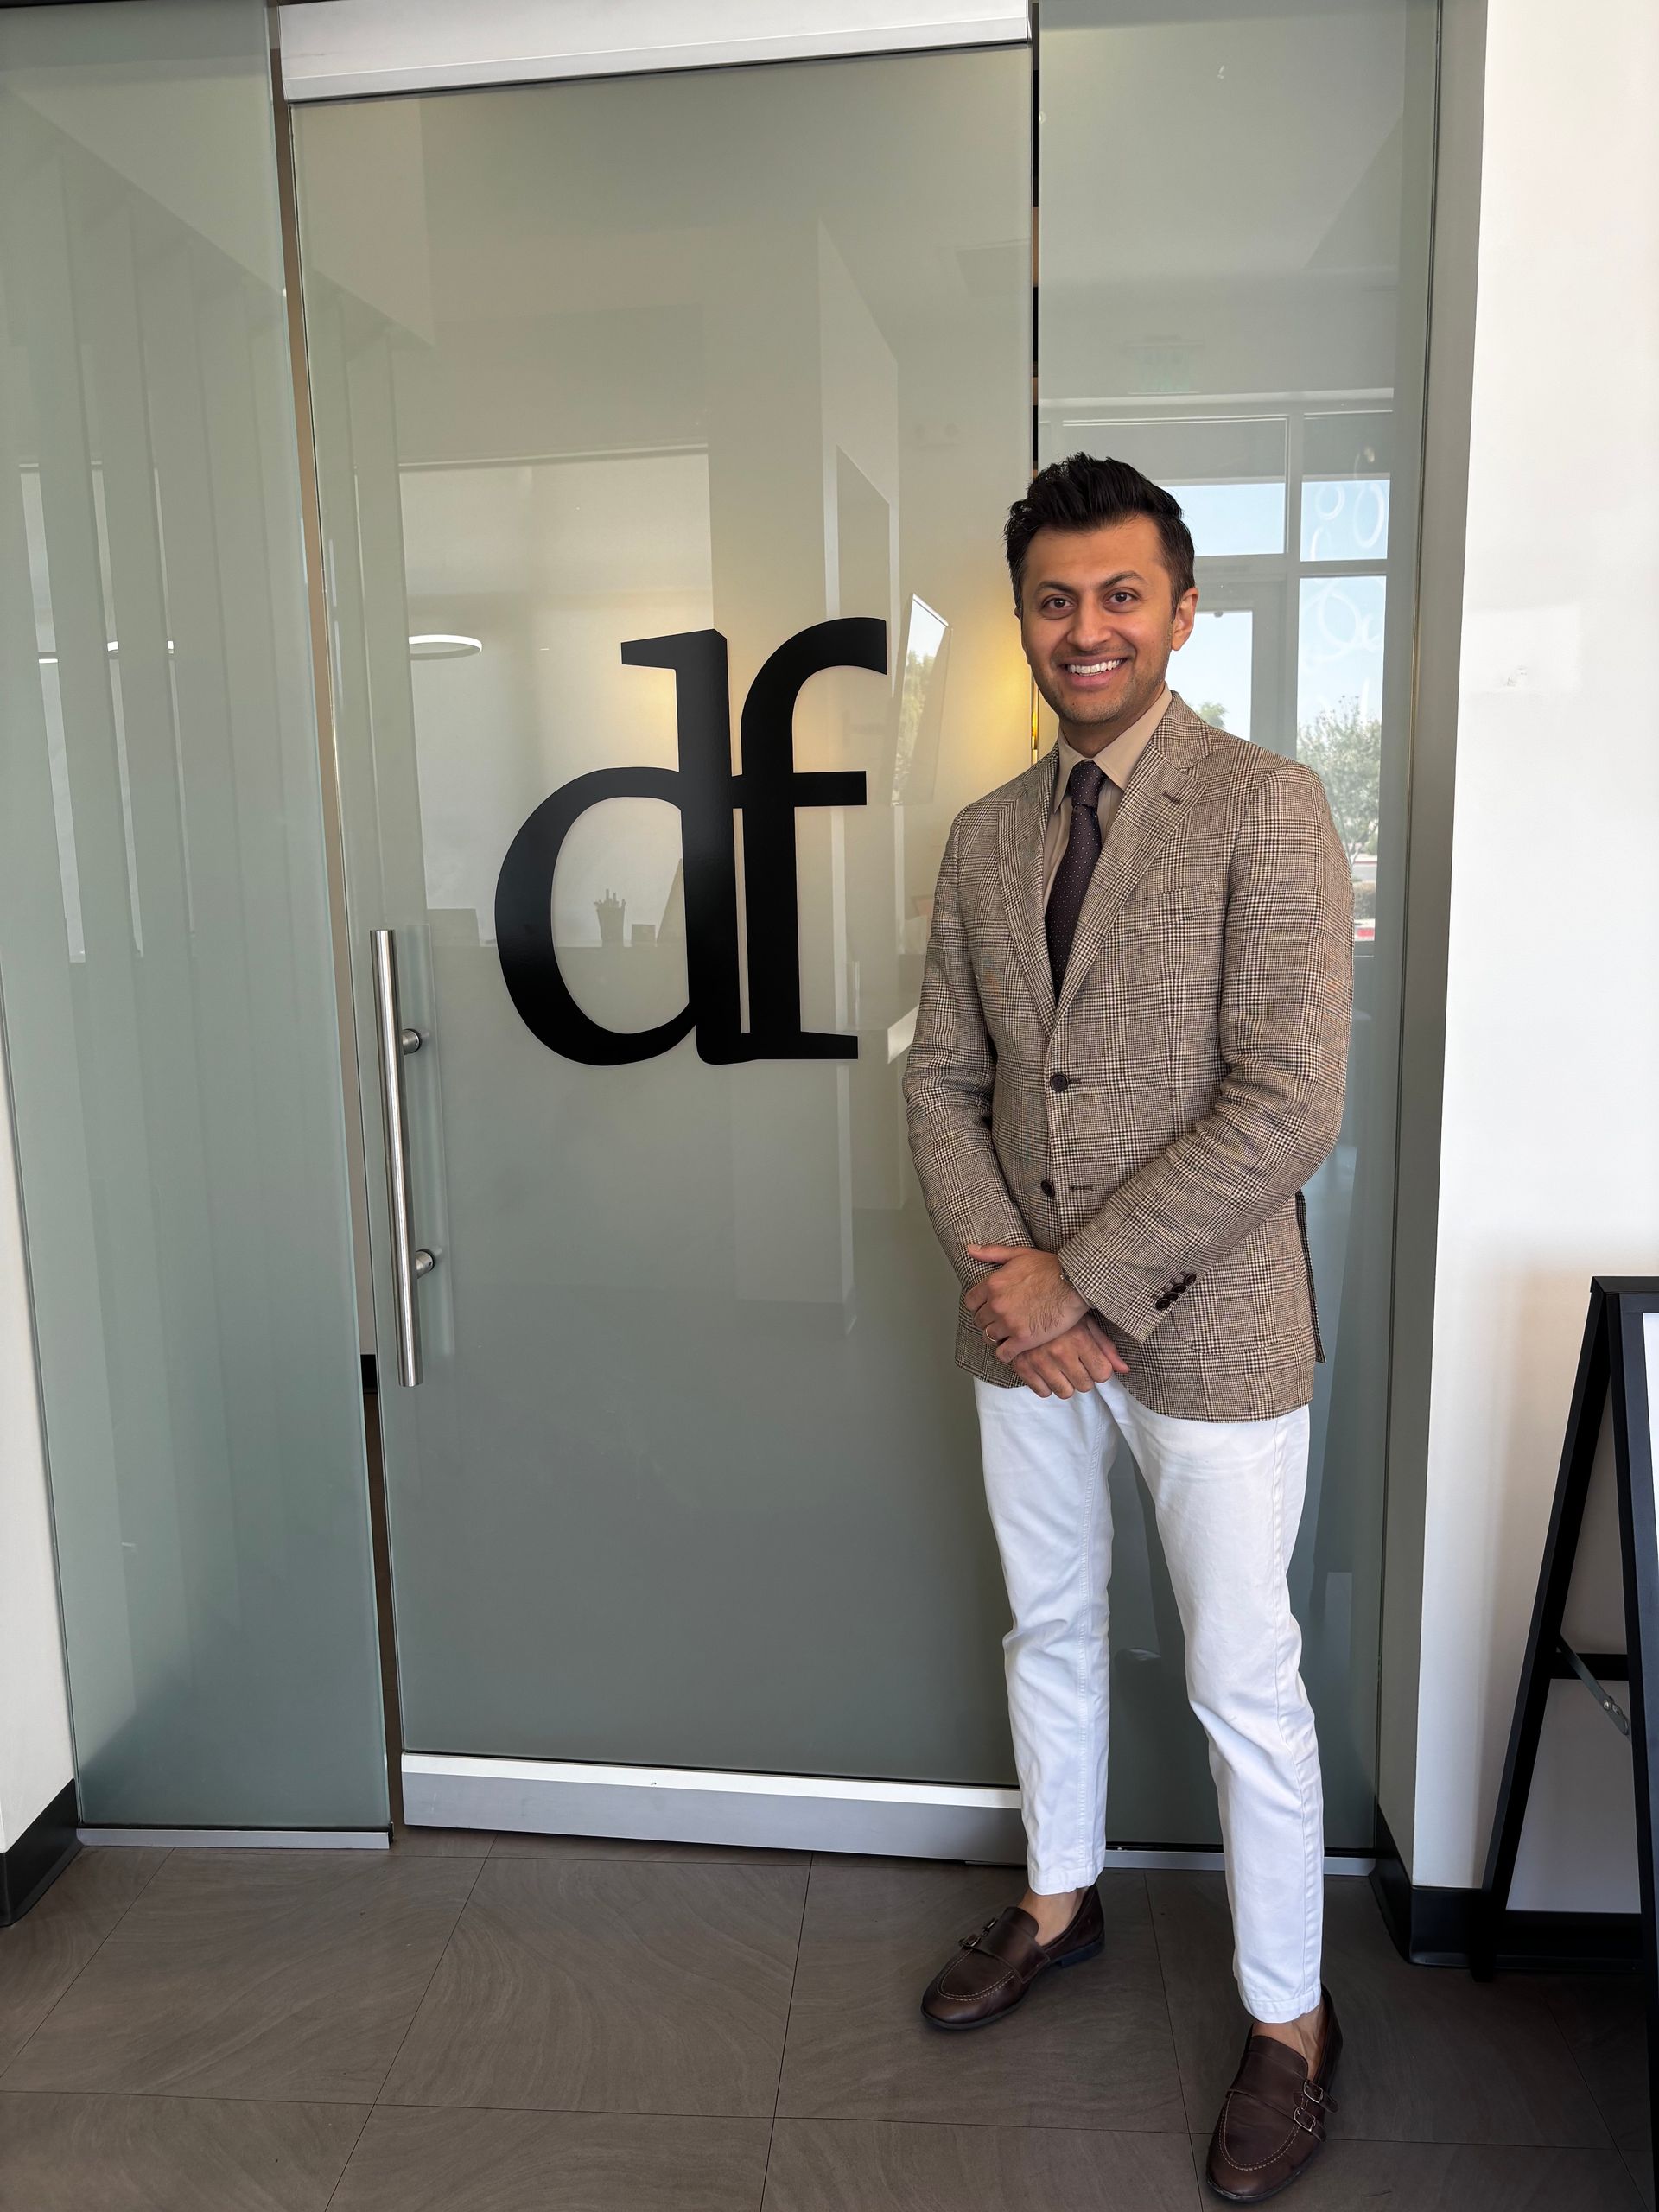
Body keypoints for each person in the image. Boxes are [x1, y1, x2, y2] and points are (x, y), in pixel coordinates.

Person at [903, 454, 1354, 2202]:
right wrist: (1012, 1272)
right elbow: (942, 1078)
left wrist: (1075, 1279)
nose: (1083, 629)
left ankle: (1292, 2017)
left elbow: (1286, 1102)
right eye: (1052, 599)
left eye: (1117, 596)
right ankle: (1059, 1897)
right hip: (1024, 1331)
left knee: (1247, 1681)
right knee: (1050, 1623)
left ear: (1181, 609)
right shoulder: (984, 836)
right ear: (1023, 617)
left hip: (1214, 1330)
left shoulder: (1269, 807)